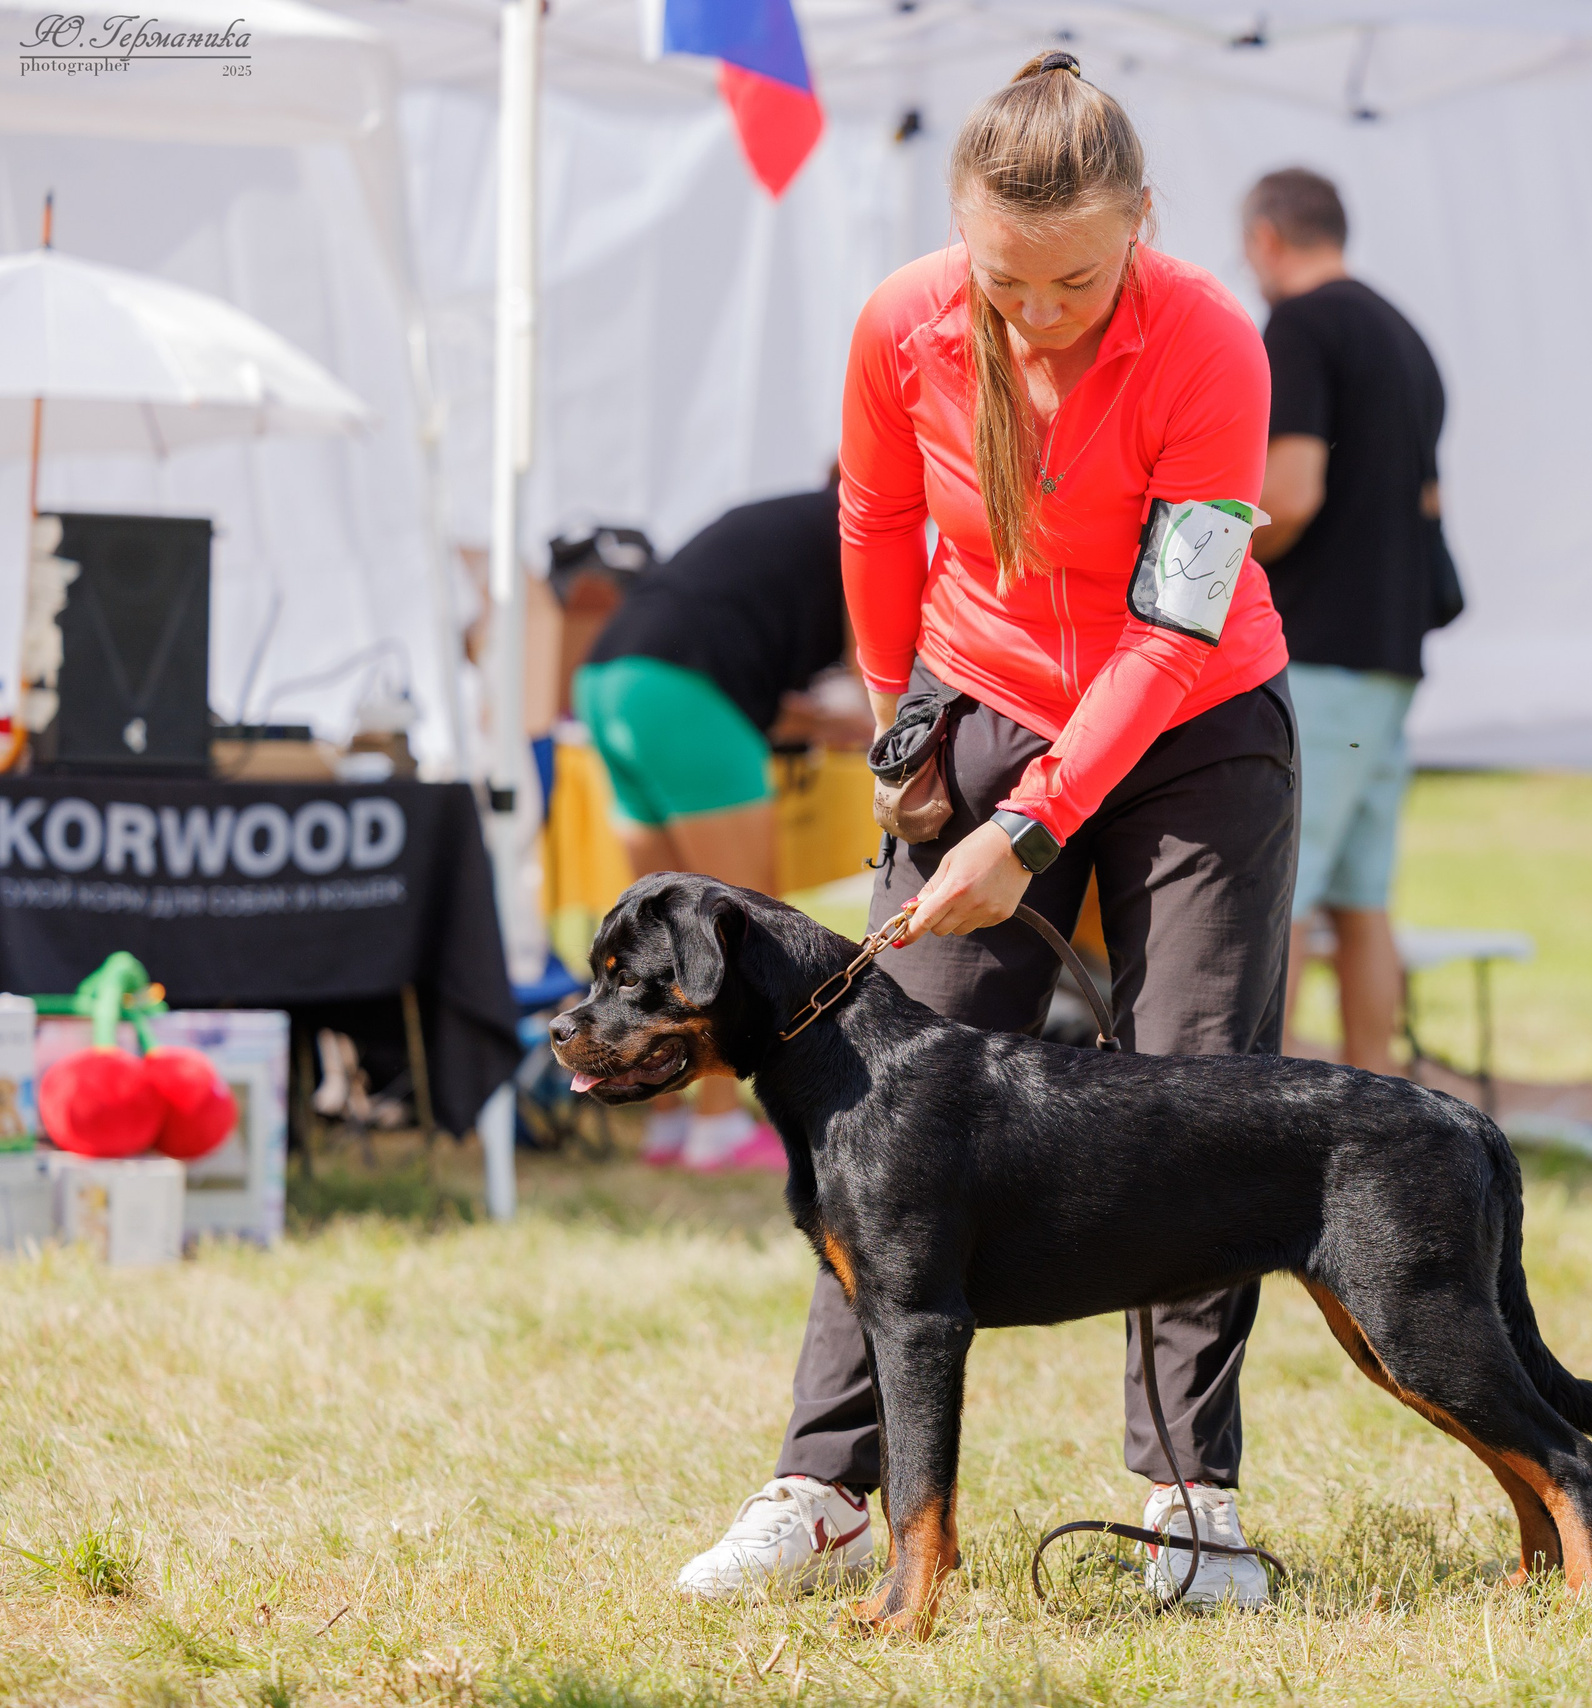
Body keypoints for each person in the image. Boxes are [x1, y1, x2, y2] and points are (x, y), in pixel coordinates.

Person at [675, 51, 1296, 1611]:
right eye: (1006, 279)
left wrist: (1029, 828)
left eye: (1077, 278)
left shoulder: (1216, 343)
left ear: (1143, 222)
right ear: (962, 235)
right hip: (983, 700)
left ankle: (1185, 1502)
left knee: (1199, 1085)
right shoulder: (902, 320)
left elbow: (1172, 630)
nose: (1039, 310)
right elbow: (875, 523)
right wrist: (906, 731)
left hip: (1198, 720)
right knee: (878, 1087)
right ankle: (822, 1487)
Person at [572, 481, 870, 1172]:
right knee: (741, 924)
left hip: (610, 677)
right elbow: (868, 671)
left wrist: (830, 723)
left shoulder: (786, 523)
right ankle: (720, 1129)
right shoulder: (864, 521)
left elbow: (750, 688)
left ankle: (663, 1117)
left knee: (655, 927)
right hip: (682, 689)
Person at [1241, 168, 1449, 1075]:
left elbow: (1286, 496)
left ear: (1265, 241)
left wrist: (1201, 556)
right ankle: (1381, 1101)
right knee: (1364, 903)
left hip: (1317, 656)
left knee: (1272, 895)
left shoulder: (1298, 325)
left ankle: (1268, 1119)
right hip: (1390, 656)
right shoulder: (1405, 334)